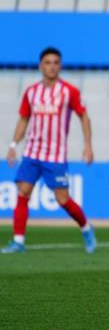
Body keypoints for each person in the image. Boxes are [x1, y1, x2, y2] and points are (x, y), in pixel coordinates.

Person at [2, 47, 97, 254]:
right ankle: (18, 241)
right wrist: (12, 145)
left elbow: (84, 116)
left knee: (62, 199)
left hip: (55, 155)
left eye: (55, 62)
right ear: (40, 66)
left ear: (60, 66)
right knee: (23, 192)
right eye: (48, 62)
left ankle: (86, 227)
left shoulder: (69, 92)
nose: (52, 66)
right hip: (32, 153)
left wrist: (88, 144)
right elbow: (24, 119)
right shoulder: (31, 93)